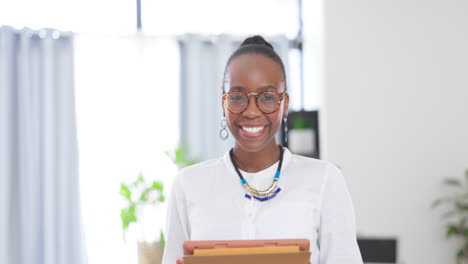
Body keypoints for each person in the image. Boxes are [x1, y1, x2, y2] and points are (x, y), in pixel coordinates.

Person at [162, 35, 363, 264]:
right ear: (223, 104)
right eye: (237, 97)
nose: (251, 111)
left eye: (267, 97)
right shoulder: (188, 185)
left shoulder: (325, 180)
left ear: (284, 105)